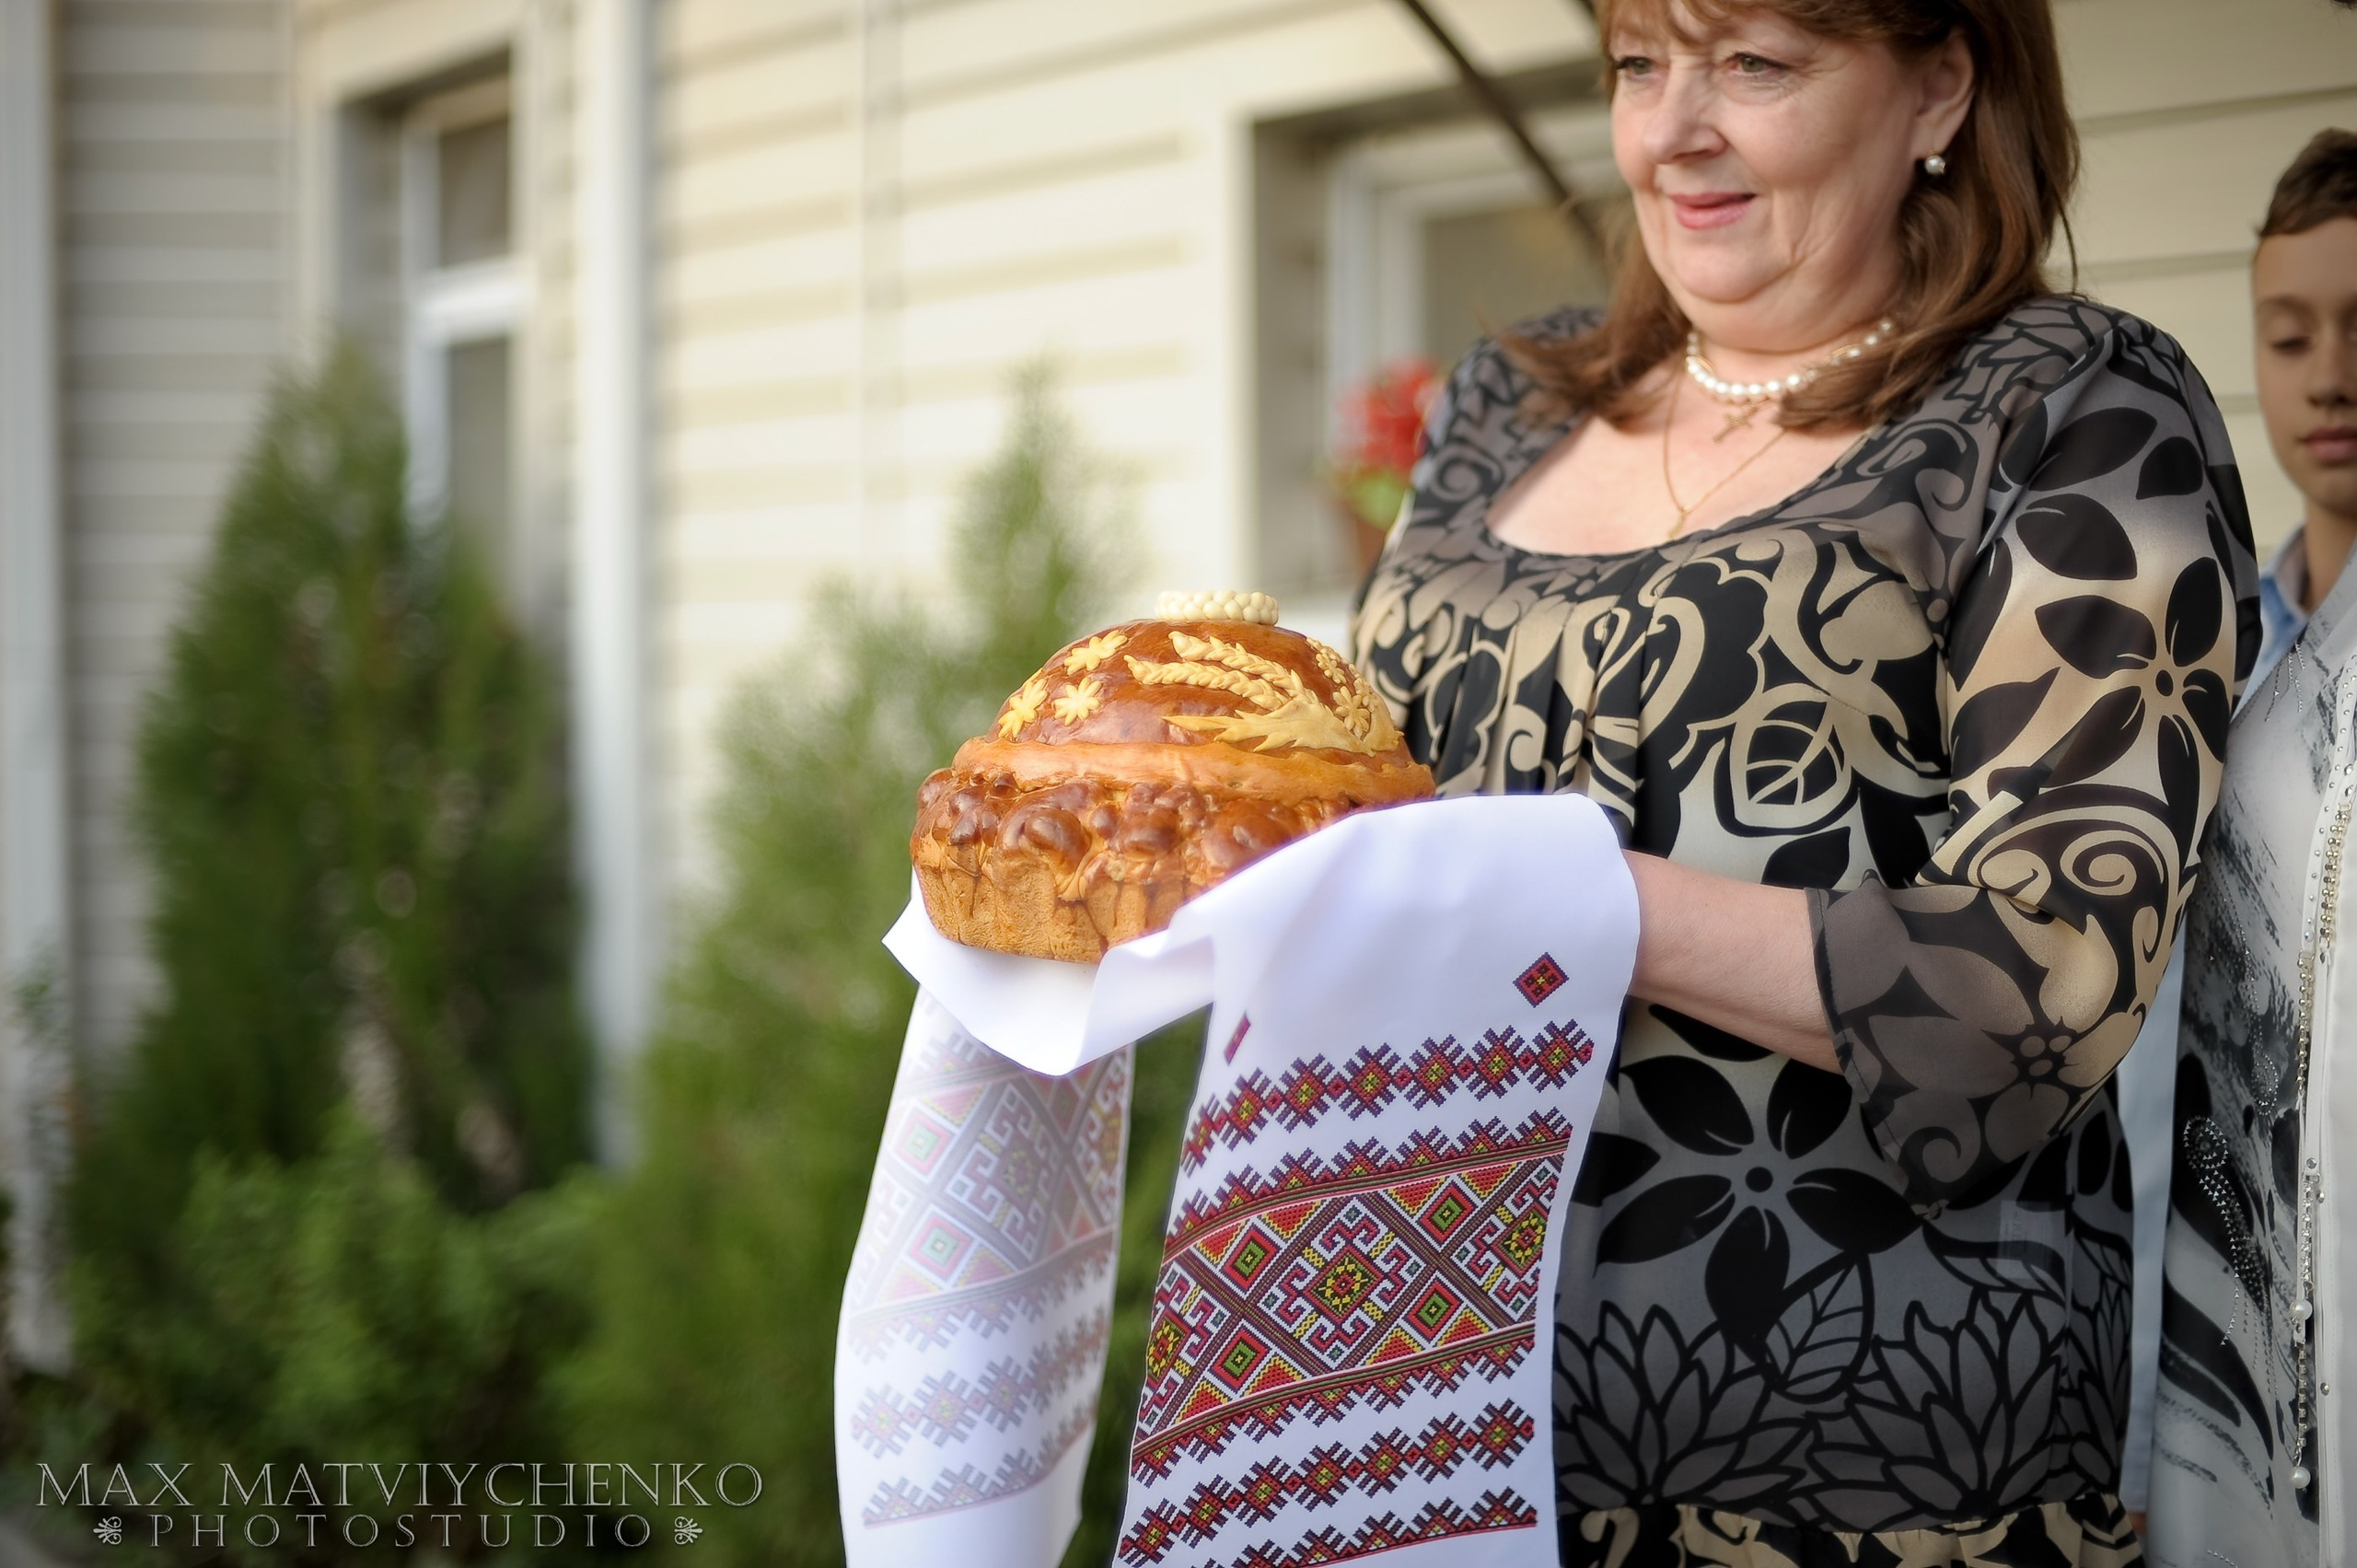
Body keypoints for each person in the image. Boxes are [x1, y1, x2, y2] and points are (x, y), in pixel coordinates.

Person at [1351, 0, 2258, 1559]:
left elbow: (2041, 983)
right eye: (1641, 63)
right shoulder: (1508, 404)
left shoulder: (2070, 406)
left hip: (1848, 1459)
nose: (1672, 130)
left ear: (1943, 84)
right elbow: (1357, 807)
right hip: (1421, 1408)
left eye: (1757, 64)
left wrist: (1559, 896)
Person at [2147, 127, 2357, 1568]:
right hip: (2224, 1282)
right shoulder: (2211, 654)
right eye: (2288, 336)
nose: (2330, 373)